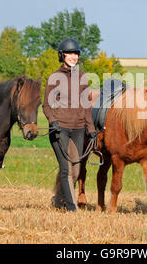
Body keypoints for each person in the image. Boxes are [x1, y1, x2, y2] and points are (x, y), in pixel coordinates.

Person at [43, 37, 97, 211]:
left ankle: (58, 200)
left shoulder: (82, 76)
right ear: (62, 55)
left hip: (79, 128)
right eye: (69, 53)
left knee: (76, 170)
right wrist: (53, 121)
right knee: (66, 170)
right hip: (60, 129)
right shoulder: (54, 78)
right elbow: (46, 105)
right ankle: (71, 208)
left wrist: (91, 128)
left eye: (75, 53)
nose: (73, 56)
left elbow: (86, 105)